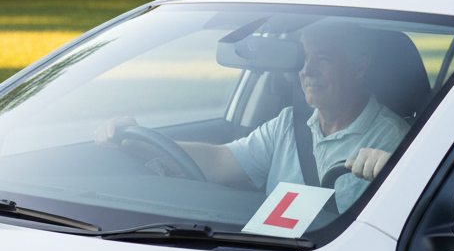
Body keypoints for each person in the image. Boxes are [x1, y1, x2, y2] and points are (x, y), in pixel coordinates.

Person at [96, 21, 408, 210]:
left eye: (323, 59)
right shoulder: (290, 123)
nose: (307, 70)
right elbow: (219, 161)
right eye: (303, 57)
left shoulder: (396, 141)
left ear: (359, 67)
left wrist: (395, 172)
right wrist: (140, 142)